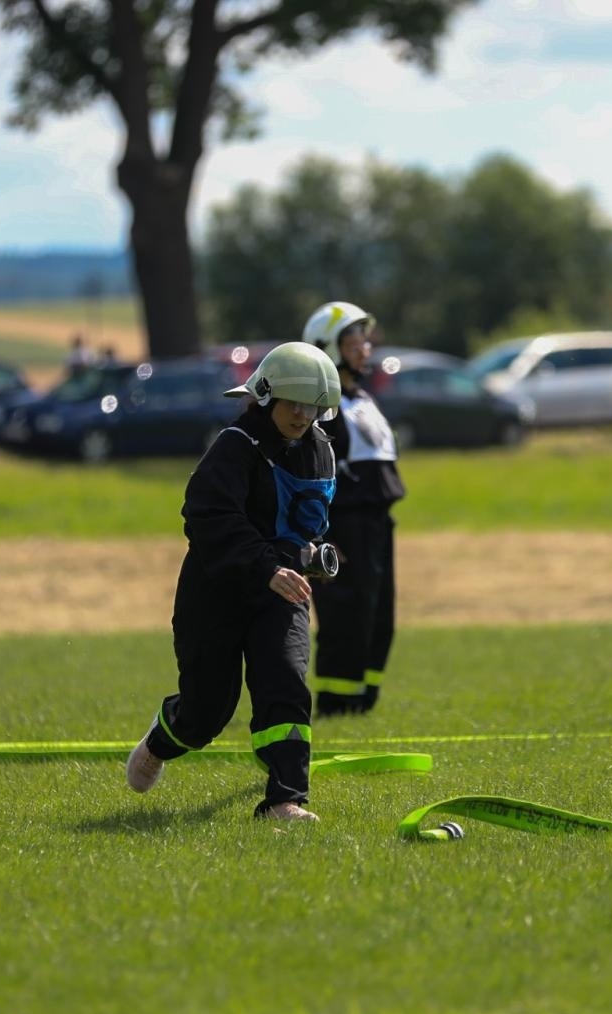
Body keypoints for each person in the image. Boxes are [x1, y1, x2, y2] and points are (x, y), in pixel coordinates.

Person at [124, 342, 341, 822]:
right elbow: (209, 518)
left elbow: (306, 525)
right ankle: (160, 742)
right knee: (207, 712)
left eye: (312, 406)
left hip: (282, 593)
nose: (302, 415)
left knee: (286, 682)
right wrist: (268, 567)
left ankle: (284, 800)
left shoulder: (321, 451)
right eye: (293, 403)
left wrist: (310, 556)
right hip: (216, 592)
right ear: (266, 397)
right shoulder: (234, 447)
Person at [301, 301, 406, 715]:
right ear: (328, 348)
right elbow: (309, 475)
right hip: (343, 527)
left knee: (378, 616)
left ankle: (364, 700)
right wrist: (322, 535)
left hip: (377, 523)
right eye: (353, 341)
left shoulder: (362, 398)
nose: (365, 348)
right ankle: (335, 706)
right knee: (345, 617)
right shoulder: (319, 408)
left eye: (365, 340)